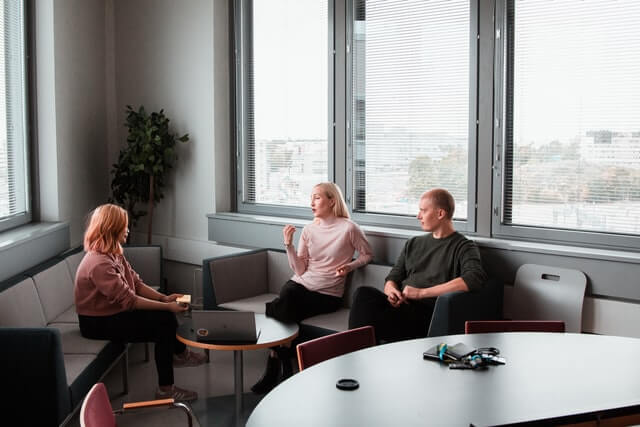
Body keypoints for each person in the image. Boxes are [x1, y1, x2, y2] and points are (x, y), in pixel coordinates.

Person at [74, 204, 205, 402]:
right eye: (123, 226)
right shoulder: (98, 263)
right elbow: (130, 300)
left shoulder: (114, 253)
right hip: (95, 323)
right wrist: (167, 306)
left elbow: (135, 282)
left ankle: (179, 356)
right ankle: (167, 386)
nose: (127, 230)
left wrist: (163, 298)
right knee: (163, 322)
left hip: (110, 313)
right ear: (112, 228)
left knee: (164, 317)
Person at [251, 182, 373, 394]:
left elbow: (367, 254)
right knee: (289, 295)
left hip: (327, 294)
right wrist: (288, 245)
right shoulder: (309, 229)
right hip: (301, 285)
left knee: (280, 305)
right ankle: (282, 363)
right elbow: (299, 271)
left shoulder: (349, 228)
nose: (311, 203)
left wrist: (349, 266)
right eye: (311, 197)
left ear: (332, 200)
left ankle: (274, 367)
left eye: (317, 197)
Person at [348, 188, 487, 343]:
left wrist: (421, 293)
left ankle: (353, 352)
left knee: (368, 324)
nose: (418, 216)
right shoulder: (413, 243)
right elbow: (393, 277)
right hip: (400, 306)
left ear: (440, 214)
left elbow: (473, 278)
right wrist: (392, 291)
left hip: (425, 313)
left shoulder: (464, 246)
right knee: (364, 294)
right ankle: (356, 350)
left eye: (423, 211)